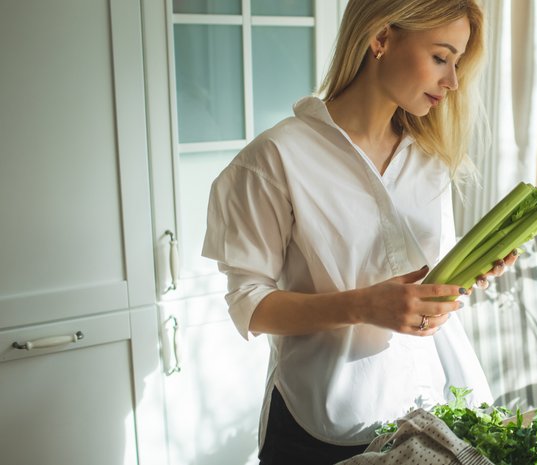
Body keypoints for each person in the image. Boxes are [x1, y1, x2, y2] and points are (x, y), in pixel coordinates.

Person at [202, 1, 514, 464]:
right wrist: (365, 305)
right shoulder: (275, 159)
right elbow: (250, 304)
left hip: (428, 419)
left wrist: (464, 277)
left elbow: (425, 288)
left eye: (457, 63)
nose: (452, 81)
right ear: (381, 38)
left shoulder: (430, 158)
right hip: (320, 432)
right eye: (440, 57)